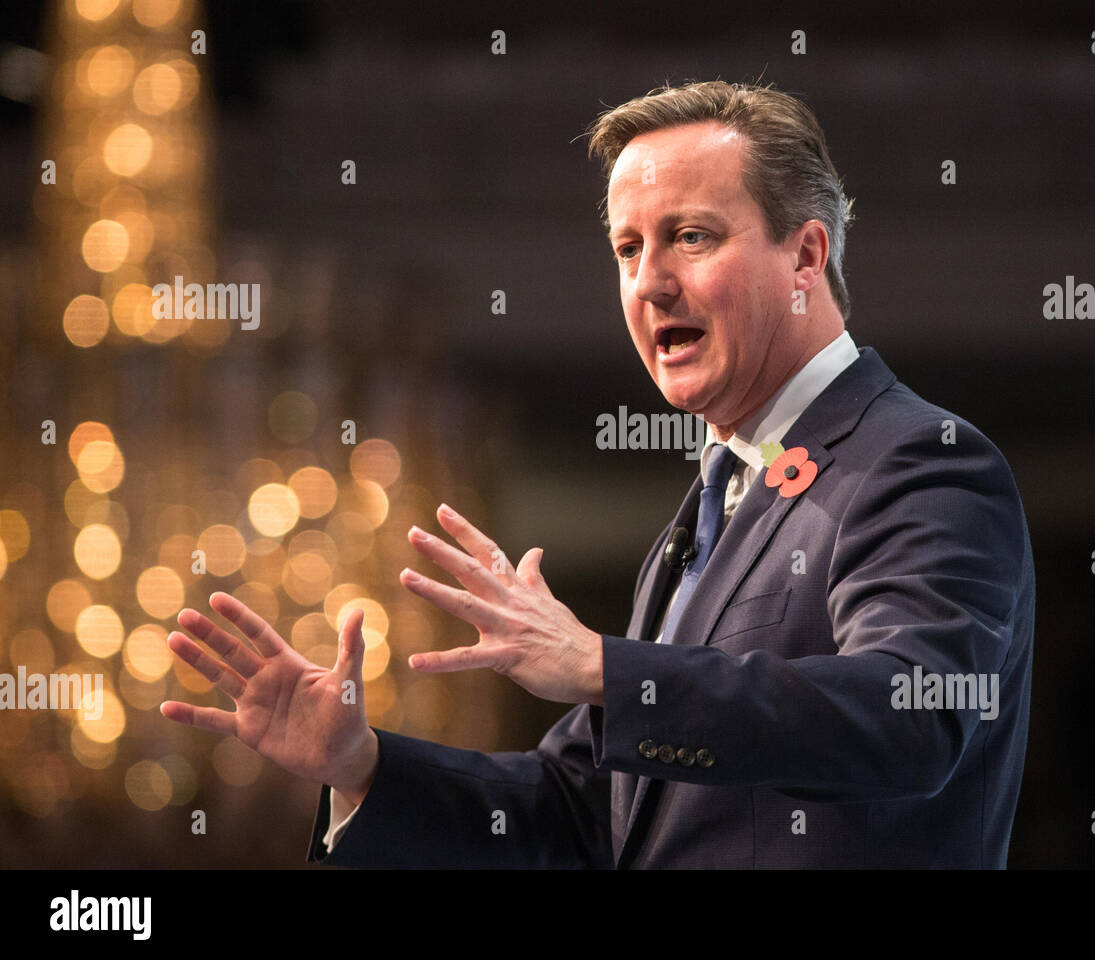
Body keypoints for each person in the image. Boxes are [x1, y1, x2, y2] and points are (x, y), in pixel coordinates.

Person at [161, 80, 1035, 868]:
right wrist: (361, 765)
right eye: (627, 248)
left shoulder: (917, 461)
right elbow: (582, 816)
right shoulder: (710, 513)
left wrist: (610, 672)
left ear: (806, 258)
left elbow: (914, 716)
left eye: (691, 237)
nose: (650, 283)